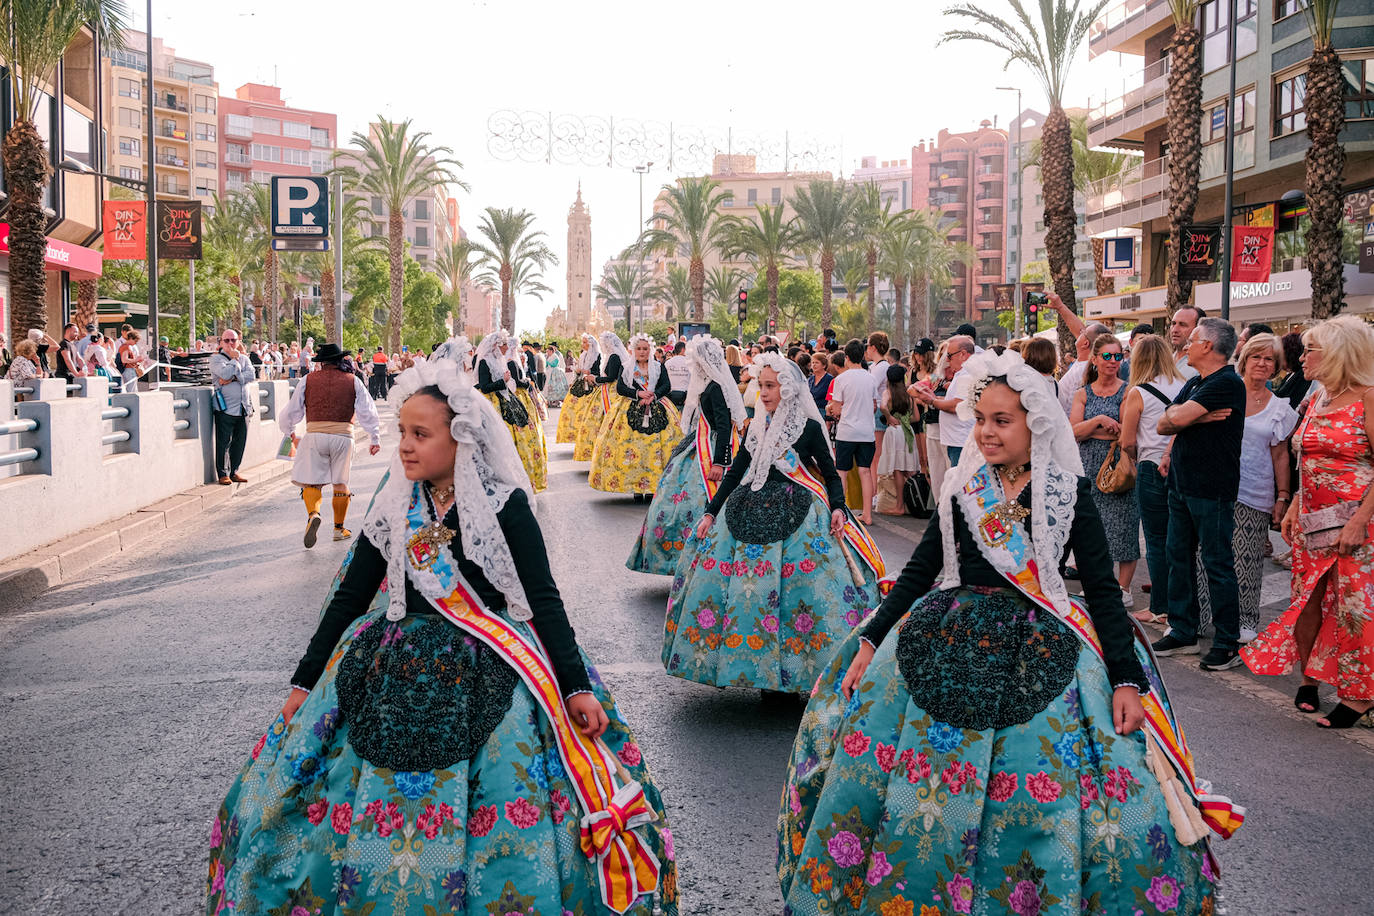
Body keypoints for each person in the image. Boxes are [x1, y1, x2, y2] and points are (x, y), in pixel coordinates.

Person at [207, 358, 678, 916]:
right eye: (402, 431)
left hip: (493, 665)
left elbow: (544, 599)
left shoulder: (505, 506)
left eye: (419, 434)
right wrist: (305, 681)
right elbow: (351, 599)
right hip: (387, 668)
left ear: (459, 439)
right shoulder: (394, 506)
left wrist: (575, 686)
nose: (404, 446)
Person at [779, 349, 1238, 914]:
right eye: (981, 420)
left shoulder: (1068, 493)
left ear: (1034, 423)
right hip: (945, 638)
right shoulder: (958, 487)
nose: (987, 433)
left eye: (1003, 421)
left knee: (1038, 782)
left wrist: (1124, 679)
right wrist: (871, 639)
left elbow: (1101, 593)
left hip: (1046, 643)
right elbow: (921, 572)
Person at [664, 354, 886, 695]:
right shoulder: (755, 426)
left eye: (771, 386)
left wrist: (839, 507)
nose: (764, 393)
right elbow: (737, 472)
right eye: (761, 386)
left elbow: (829, 472)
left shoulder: (809, 428)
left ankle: (797, 672)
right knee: (745, 597)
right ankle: (755, 670)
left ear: (788, 389)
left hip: (800, 514)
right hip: (747, 508)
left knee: (799, 595)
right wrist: (710, 513)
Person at [1244, 316, 1374, 728]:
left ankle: (1359, 697)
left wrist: (1359, 524)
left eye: (1311, 349)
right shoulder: (1318, 397)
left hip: (1357, 522)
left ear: (1338, 354)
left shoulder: (1368, 397)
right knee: (1307, 601)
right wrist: (1296, 503)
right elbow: (1307, 458)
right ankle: (1310, 680)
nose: (1301, 357)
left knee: (1355, 607)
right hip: (1312, 520)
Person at [1151, 318, 1247, 671]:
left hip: (1212, 488)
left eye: (1192, 340)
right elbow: (1163, 423)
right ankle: (1183, 629)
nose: (1186, 345)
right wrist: (1193, 417)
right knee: (1178, 557)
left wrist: (1183, 417)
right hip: (1181, 483)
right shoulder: (1195, 381)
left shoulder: (1226, 383)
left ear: (1208, 346)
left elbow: (1173, 420)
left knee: (1217, 563)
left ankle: (1226, 641)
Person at [1194, 334, 1296, 643]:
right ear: (1245, 360)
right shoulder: (1224, 390)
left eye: (1269, 359)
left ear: (1276, 366)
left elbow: (1280, 455)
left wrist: (1282, 496)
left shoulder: (1280, 407)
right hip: (1215, 487)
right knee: (1205, 555)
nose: (1262, 364)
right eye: (1256, 357)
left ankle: (1246, 620)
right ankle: (1200, 617)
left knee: (1247, 560)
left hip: (1255, 490)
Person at [626, 335, 743, 575]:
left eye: (695, 360)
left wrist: (720, 462)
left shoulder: (716, 387)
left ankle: (700, 559)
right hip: (700, 444)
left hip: (713, 450)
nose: (692, 365)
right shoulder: (710, 384)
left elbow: (723, 427)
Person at [278, 343, 383, 547]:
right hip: (343, 436)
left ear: (322, 363)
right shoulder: (353, 381)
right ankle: (338, 528)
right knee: (341, 482)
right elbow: (368, 411)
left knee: (311, 482)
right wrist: (375, 438)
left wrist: (289, 430)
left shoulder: (308, 380)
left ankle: (313, 514)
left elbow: (292, 410)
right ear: (340, 360)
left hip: (314, 435)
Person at [1119, 335, 1188, 624]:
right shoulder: (1185, 385)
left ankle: (1160, 606)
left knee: (1157, 541)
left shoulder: (1139, 392)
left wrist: (1133, 456)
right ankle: (1180, 604)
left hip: (1150, 467)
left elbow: (1127, 439)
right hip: (1181, 466)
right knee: (1180, 540)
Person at [1071, 333, 1140, 608]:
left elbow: (1127, 430)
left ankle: (1123, 589)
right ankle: (1099, 584)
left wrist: (1095, 429)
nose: (1113, 362)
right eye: (1107, 356)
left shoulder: (1128, 391)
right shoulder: (1082, 393)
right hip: (1089, 463)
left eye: (1118, 356)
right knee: (1092, 528)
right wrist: (1100, 420)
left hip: (1119, 463)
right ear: (1095, 359)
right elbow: (1073, 431)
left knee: (1124, 525)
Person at [588, 333, 680, 502]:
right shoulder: (626, 366)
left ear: (650, 349)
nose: (642, 352)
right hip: (630, 407)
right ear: (633, 350)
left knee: (655, 449)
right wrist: (638, 394)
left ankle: (653, 486)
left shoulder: (659, 366)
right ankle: (636, 488)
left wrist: (653, 395)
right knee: (633, 449)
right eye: (639, 348)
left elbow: (666, 385)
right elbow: (621, 388)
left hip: (656, 406)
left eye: (645, 349)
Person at [475, 329, 547, 492]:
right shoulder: (485, 362)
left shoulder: (499, 360)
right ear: (496, 345)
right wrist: (503, 381)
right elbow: (485, 387)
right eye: (504, 344)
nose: (507, 347)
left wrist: (507, 382)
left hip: (506, 399)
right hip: (492, 404)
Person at [827, 340, 879, 525]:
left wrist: (830, 409)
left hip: (847, 432)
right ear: (863, 356)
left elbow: (837, 408)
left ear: (847, 358)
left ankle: (841, 511)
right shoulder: (870, 377)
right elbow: (874, 405)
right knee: (865, 471)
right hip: (867, 432)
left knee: (842, 472)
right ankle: (867, 514)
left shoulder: (841, 379)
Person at [918, 334, 975, 467]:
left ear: (963, 354)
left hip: (960, 440)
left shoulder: (966, 374)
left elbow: (956, 405)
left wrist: (932, 400)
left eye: (949, 355)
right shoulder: (950, 374)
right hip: (952, 438)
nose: (947, 360)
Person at [210, 329, 255, 486]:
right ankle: (223, 473)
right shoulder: (216, 359)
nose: (230, 343)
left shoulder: (245, 359)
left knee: (239, 441)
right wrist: (235, 362)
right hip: (225, 408)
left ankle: (234, 471)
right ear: (221, 342)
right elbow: (224, 373)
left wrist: (234, 377)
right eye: (227, 340)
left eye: (233, 340)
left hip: (243, 407)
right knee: (223, 442)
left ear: (239, 341)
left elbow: (251, 375)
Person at [875, 363, 921, 516]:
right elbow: (916, 417)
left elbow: (882, 406)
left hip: (894, 433)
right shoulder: (908, 394)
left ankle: (900, 506)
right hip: (907, 432)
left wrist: (889, 417)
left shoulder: (888, 392)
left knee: (898, 470)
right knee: (910, 469)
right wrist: (904, 420)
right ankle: (917, 502)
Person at [1057, 320, 1111, 413]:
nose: (1080, 332)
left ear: (1085, 343)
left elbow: (1072, 408)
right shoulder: (1083, 365)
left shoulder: (1083, 371)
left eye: (1083, 332)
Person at [556, 333, 599, 445]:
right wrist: (578, 371)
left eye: (585, 342)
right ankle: (575, 435)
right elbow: (579, 369)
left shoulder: (597, 355)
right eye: (583, 342)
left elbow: (599, 372)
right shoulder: (583, 355)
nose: (583, 344)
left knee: (588, 412)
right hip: (580, 385)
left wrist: (588, 372)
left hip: (592, 386)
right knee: (571, 409)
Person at [1168, 306, 1204, 379]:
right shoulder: (1165, 361)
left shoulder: (1200, 368)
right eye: (1173, 323)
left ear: (1197, 330)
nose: (1175, 329)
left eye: (1182, 325)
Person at [663, 340, 691, 409]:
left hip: (670, 395)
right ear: (683, 349)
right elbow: (692, 381)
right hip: (685, 396)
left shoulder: (667, 363)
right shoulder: (689, 363)